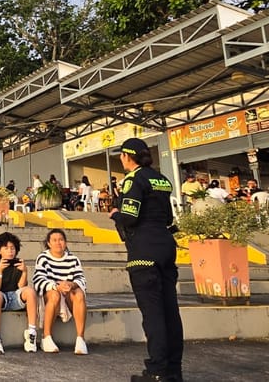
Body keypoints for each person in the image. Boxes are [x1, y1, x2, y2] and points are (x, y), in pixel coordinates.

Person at [109, 138, 183, 382]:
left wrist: (115, 214)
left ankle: (157, 371)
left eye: (121, 155)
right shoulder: (161, 179)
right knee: (170, 311)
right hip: (165, 245)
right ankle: (173, 369)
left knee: (153, 314)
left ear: (127, 156)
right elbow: (170, 218)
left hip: (145, 249)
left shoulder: (133, 178)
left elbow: (130, 216)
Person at [32, 229, 89, 355]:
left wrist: (71, 284)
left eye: (61, 240)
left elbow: (81, 279)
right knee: (54, 294)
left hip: (68, 293)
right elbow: (38, 280)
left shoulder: (73, 259)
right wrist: (56, 286)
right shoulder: (43, 258)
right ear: (49, 243)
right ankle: (46, 337)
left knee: (79, 294)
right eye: (55, 240)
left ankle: (80, 338)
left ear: (66, 242)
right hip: (51, 293)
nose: (58, 243)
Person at [0, 232, 38, 354]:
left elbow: (21, 286)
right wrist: (0, 270)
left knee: (30, 291)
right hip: (0, 296)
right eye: (6, 248)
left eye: (12, 248)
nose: (10, 251)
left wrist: (24, 272)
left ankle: (31, 333)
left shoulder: (18, 263)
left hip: (15, 296)